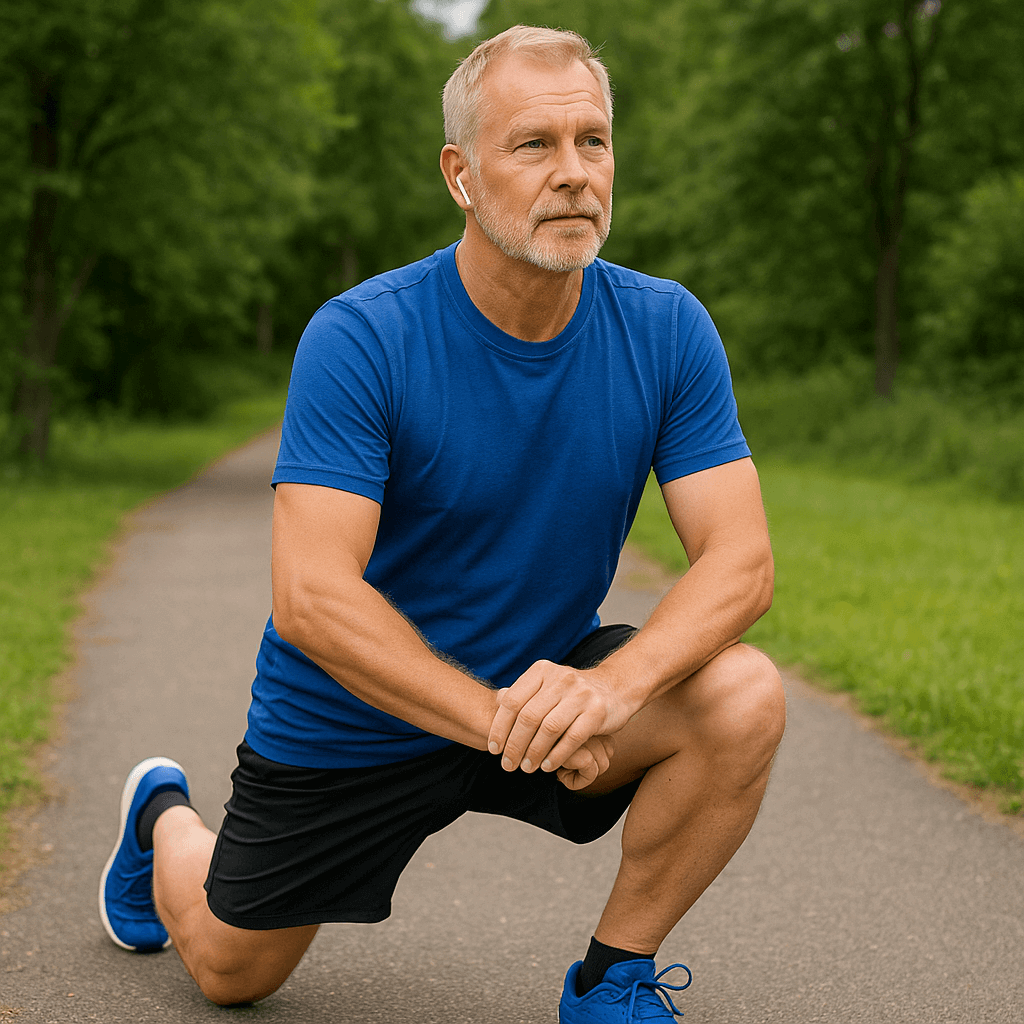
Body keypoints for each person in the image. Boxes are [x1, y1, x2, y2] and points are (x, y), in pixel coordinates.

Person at [98, 24, 785, 1023]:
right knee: (229, 971)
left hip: (547, 684)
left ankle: (611, 979)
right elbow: (312, 598)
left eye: (592, 142)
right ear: (461, 175)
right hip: (354, 711)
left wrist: (607, 691)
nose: (573, 174)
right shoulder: (362, 337)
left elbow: (741, 563)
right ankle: (162, 817)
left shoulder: (666, 327)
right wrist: (509, 725)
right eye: (533, 146)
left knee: (742, 696)